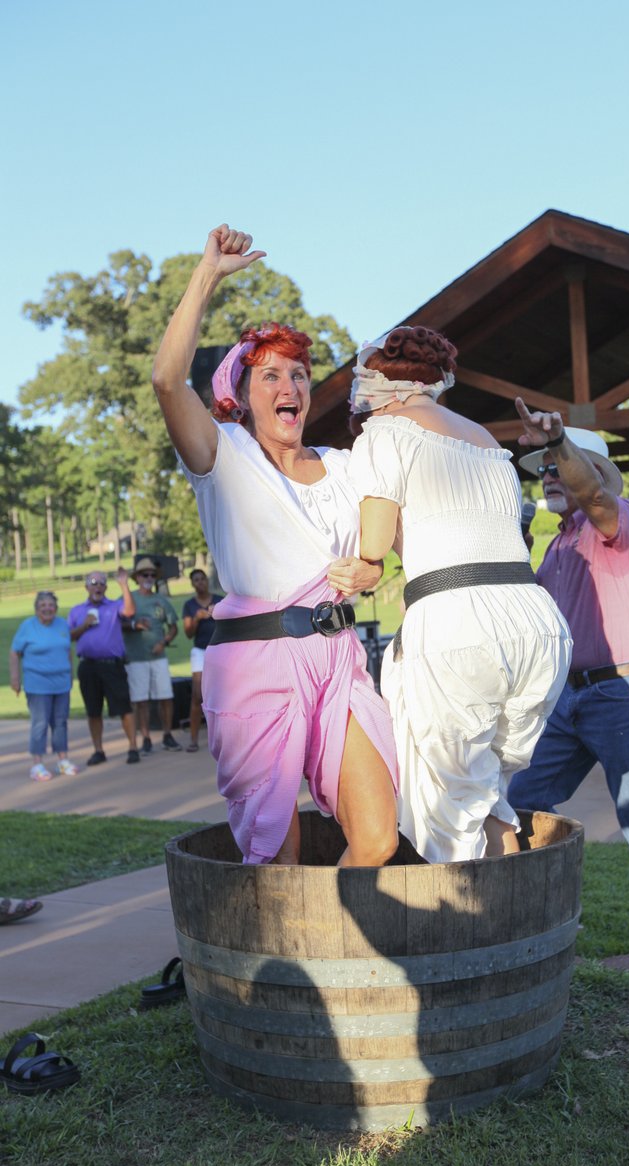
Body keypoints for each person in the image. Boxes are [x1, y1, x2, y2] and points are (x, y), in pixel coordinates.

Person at [150, 223, 398, 867]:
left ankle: (333, 955)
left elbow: (382, 543)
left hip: (338, 658)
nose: (289, 387)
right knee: (276, 857)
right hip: (256, 661)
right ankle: (290, 966)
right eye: (270, 376)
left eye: (299, 374)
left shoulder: (347, 467)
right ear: (241, 392)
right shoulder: (221, 455)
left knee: (376, 836)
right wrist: (206, 275)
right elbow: (166, 382)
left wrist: (372, 567)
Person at [348, 327, 572, 863]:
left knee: (447, 807)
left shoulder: (384, 432)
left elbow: (374, 544)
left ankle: (465, 937)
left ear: (383, 382)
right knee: (486, 790)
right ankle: (514, 929)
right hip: (533, 623)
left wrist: (357, 563)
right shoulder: (485, 441)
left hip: (457, 624)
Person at [507, 406, 629, 959]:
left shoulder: (617, 521)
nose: (546, 474)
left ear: (586, 470)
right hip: (570, 695)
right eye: (541, 467)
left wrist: (561, 442)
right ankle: (544, 920)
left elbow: (593, 498)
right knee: (521, 803)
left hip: (622, 691)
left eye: (556, 464)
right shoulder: (559, 542)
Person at [68, 569, 140, 766]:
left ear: (106, 587)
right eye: (93, 582)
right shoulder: (77, 611)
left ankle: (133, 747)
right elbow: (69, 637)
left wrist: (124, 584)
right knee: (93, 710)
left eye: (101, 583)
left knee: (124, 706)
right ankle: (98, 750)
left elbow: (130, 611)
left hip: (112, 666)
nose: (97, 586)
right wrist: (84, 625)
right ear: (86, 587)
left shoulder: (114, 606)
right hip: (88, 667)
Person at [9, 591, 77, 780]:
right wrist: (15, 678)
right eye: (43, 605)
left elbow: (67, 651)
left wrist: (71, 674)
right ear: (36, 609)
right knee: (40, 724)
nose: (47, 609)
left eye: (51, 605)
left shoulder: (62, 624)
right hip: (37, 684)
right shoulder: (27, 627)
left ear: (55, 607)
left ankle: (62, 760)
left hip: (61, 683)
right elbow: (15, 652)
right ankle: (37, 764)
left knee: (60, 722)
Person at [122, 557, 182, 754]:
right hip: (135, 657)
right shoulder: (127, 598)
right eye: (144, 574)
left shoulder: (161, 600)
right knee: (140, 701)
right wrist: (134, 625)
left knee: (165, 697)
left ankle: (167, 735)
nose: (148, 578)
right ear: (136, 578)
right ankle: (146, 737)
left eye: (151, 575)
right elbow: (117, 624)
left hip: (158, 657)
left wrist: (163, 642)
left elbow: (173, 627)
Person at [182, 568, 223, 752]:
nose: (200, 582)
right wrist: (196, 619)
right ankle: (193, 739)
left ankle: (223, 738)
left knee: (224, 693)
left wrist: (218, 614)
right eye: (196, 580)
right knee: (197, 694)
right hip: (200, 651)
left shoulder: (219, 600)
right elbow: (188, 633)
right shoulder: (189, 605)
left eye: (202, 579)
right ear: (192, 584)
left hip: (220, 648)